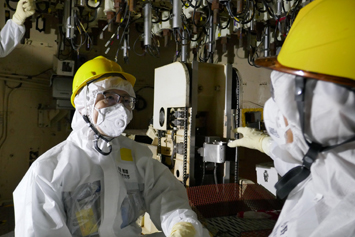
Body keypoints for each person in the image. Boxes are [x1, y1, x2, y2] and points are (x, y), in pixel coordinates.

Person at [13, 56, 206, 237]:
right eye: (109, 97)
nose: (120, 108)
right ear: (84, 103)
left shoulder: (136, 156)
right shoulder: (47, 171)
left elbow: (165, 195)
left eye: (126, 100)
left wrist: (181, 224)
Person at [228, 0, 355, 236]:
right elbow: (307, 163)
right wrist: (265, 143)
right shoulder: (334, 166)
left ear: (327, 112)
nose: (276, 113)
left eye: (282, 98)